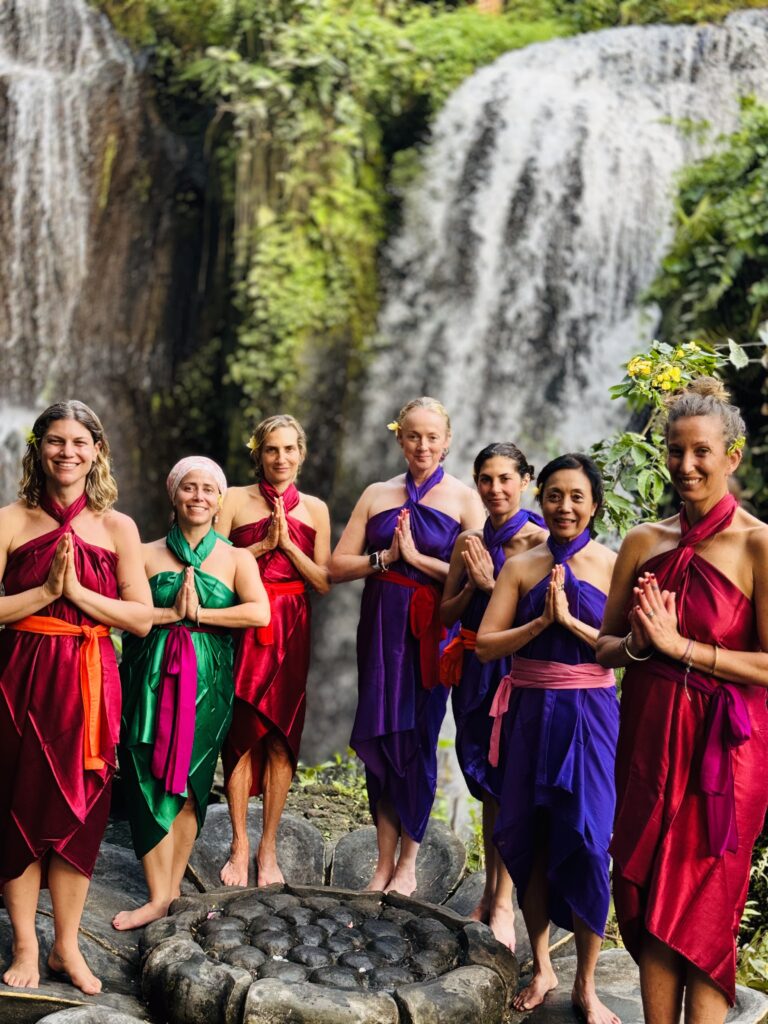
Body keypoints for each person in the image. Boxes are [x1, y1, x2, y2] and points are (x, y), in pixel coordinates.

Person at [597, 378, 768, 1024]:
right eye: (675, 450)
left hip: (726, 752)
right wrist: (641, 643)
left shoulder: (757, 545)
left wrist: (683, 647)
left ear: (732, 457)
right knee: (645, 895)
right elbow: (605, 648)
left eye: (701, 452)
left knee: (706, 904)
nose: (686, 465)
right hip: (648, 741)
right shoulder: (644, 542)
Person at [0, 401, 153, 994]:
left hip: (90, 681)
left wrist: (79, 596)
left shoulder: (118, 528)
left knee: (81, 812)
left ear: (97, 451)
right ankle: (24, 943)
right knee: (17, 806)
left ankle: (66, 946)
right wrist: (45, 592)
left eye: (79, 442)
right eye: (55, 441)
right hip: (20, 678)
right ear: (38, 448)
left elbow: (140, 618)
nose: (67, 452)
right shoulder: (11, 520)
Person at [476, 453, 620, 1024]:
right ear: (542, 498)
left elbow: (628, 649)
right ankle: (543, 968)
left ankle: (587, 983)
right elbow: (486, 645)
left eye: (577, 496)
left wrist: (571, 622)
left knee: (589, 843)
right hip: (530, 712)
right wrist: (538, 624)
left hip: (590, 715)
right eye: (555, 495)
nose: (565, 506)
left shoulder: (612, 565)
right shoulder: (520, 566)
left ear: (594, 504)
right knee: (528, 838)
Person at [329, 397, 484, 896]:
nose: (422, 445)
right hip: (379, 628)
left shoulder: (465, 500)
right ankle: (382, 862)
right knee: (380, 735)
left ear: (447, 440)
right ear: (399, 438)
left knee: (417, 738)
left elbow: (480, 577)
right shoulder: (377, 494)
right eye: (413, 435)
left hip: (432, 633)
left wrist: (416, 558)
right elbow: (336, 566)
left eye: (432, 437)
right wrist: (385, 558)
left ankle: (408, 863)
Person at [113, 457, 270, 930]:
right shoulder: (144, 554)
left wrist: (200, 615)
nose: (198, 496)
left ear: (220, 501)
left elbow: (259, 613)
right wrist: (171, 615)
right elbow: (124, 613)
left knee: (191, 782)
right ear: (173, 494)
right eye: (189, 487)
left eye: (208, 489)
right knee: (144, 774)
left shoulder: (238, 558)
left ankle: (171, 889)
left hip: (208, 684)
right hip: (148, 678)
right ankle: (157, 895)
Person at [439, 442, 546, 949]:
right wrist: (472, 587)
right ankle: (489, 892)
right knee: (485, 782)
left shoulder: (540, 542)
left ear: (525, 480)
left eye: (506, 478)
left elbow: (544, 621)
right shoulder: (468, 541)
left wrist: (493, 584)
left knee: (507, 781)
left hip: (516, 670)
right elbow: (445, 613)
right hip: (474, 670)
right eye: (486, 479)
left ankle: (505, 903)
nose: (495, 489)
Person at [217, 415, 331, 888]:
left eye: (288, 449)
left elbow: (323, 581)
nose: (280, 458)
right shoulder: (233, 499)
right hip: (245, 619)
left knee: (283, 736)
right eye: (271, 450)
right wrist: (265, 545)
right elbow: (214, 564)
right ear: (258, 454)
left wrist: (289, 546)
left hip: (291, 624)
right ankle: (239, 844)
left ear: (301, 454)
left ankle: (268, 847)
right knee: (242, 730)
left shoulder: (317, 509)